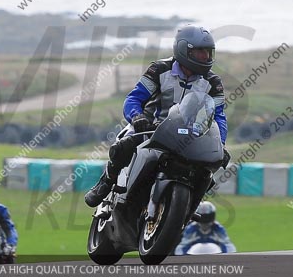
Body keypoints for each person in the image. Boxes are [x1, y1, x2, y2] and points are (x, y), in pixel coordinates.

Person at [85, 25, 230, 207]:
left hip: (190, 136)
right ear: (184, 50)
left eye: (209, 53)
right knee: (123, 147)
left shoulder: (213, 82)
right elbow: (134, 98)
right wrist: (137, 118)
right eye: (200, 52)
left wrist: (220, 143)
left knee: (207, 171)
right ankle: (106, 182)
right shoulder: (159, 69)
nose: (205, 57)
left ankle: (188, 210)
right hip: (151, 127)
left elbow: (219, 117)